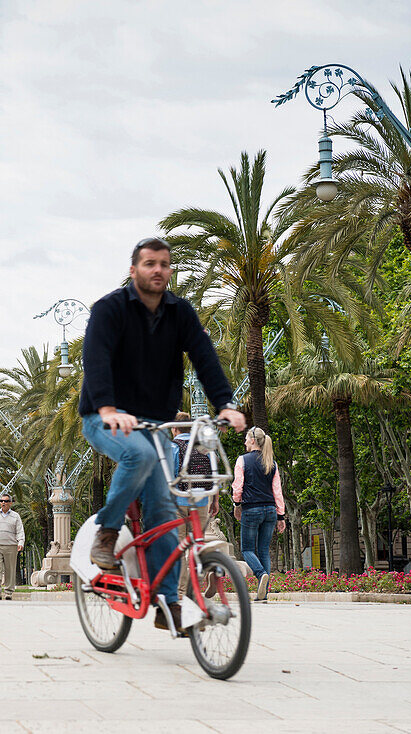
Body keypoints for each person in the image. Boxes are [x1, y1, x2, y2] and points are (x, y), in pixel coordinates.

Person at [80, 237, 245, 634]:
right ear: (134, 269)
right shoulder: (110, 309)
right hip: (106, 418)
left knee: (164, 513)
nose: (158, 270)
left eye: (164, 264)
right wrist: (105, 407)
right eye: (149, 263)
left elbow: (203, 355)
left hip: (155, 422)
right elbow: (96, 357)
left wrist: (225, 402)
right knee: (139, 455)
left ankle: (168, 604)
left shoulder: (179, 312)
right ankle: (107, 530)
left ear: (170, 270)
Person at [233, 426, 285, 601]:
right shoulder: (272, 463)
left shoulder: (243, 460)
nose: (245, 442)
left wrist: (237, 504)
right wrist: (281, 516)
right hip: (270, 510)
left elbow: (237, 486)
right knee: (263, 550)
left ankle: (260, 573)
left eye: (247, 439)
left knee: (247, 549)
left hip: (251, 509)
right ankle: (264, 592)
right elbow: (277, 491)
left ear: (253, 440)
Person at [171, 412, 218, 599]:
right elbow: (214, 475)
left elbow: (167, 476)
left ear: (174, 429)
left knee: (179, 547)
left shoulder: (173, 446)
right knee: (198, 543)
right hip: (202, 501)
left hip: (178, 502)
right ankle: (202, 579)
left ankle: (182, 592)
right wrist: (214, 501)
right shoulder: (204, 446)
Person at [0, 495, 24, 600]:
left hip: (11, 546)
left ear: (10, 503)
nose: (3, 503)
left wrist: (21, 542)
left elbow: (20, 530)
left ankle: (8, 592)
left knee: (9, 569)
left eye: (6, 501)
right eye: (1, 501)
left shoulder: (15, 516)